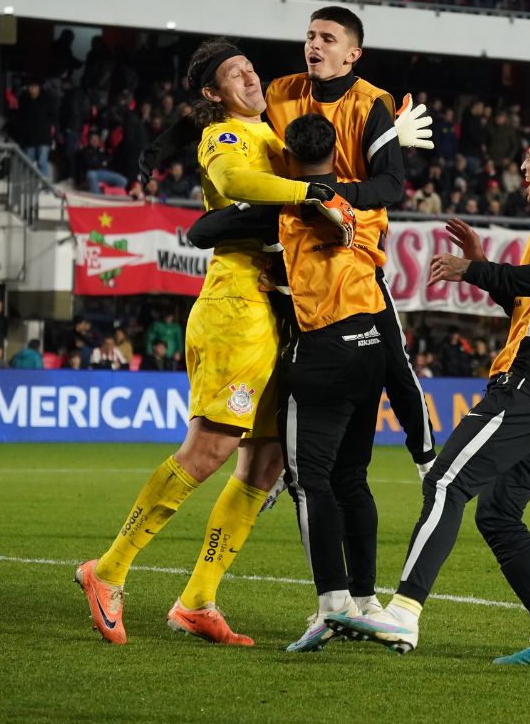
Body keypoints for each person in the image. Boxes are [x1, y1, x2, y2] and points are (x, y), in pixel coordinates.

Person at [74, 39, 354, 647]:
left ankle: (198, 599)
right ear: (213, 94)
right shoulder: (225, 137)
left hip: (278, 309)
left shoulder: (275, 132)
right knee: (209, 451)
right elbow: (234, 180)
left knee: (269, 458)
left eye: (252, 69)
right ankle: (109, 568)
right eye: (236, 75)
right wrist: (311, 196)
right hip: (236, 304)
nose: (252, 80)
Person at [326, 125, 530, 668]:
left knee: (445, 481)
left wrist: (472, 267)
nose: (522, 167)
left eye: (529, 158)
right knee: (499, 514)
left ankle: (403, 613)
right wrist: (485, 270)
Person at [203, 115, 390, 653]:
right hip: (372, 347)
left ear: (286, 157)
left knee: (309, 481)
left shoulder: (283, 210)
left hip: (323, 351)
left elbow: (201, 232)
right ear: (337, 150)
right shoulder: (371, 203)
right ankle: (367, 600)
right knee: (354, 478)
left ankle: (333, 606)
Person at [265, 6, 436, 478]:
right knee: (281, 360)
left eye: (327, 38)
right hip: (292, 251)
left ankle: (427, 462)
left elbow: (391, 185)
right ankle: (280, 470)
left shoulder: (370, 103)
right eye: (310, 35)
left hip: (353, 254)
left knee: (393, 362)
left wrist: (332, 194)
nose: (314, 45)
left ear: (352, 55)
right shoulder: (280, 92)